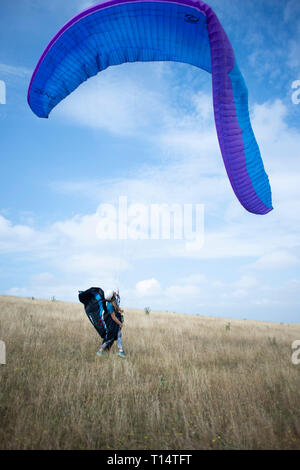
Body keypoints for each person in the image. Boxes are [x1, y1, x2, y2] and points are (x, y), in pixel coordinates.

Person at [96, 289, 126, 358]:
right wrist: (120, 324)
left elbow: (116, 306)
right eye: (113, 293)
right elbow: (113, 318)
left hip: (114, 323)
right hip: (112, 324)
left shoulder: (113, 301)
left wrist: (120, 310)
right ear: (112, 296)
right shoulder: (109, 306)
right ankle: (100, 351)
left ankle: (120, 351)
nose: (115, 292)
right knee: (110, 338)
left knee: (119, 335)